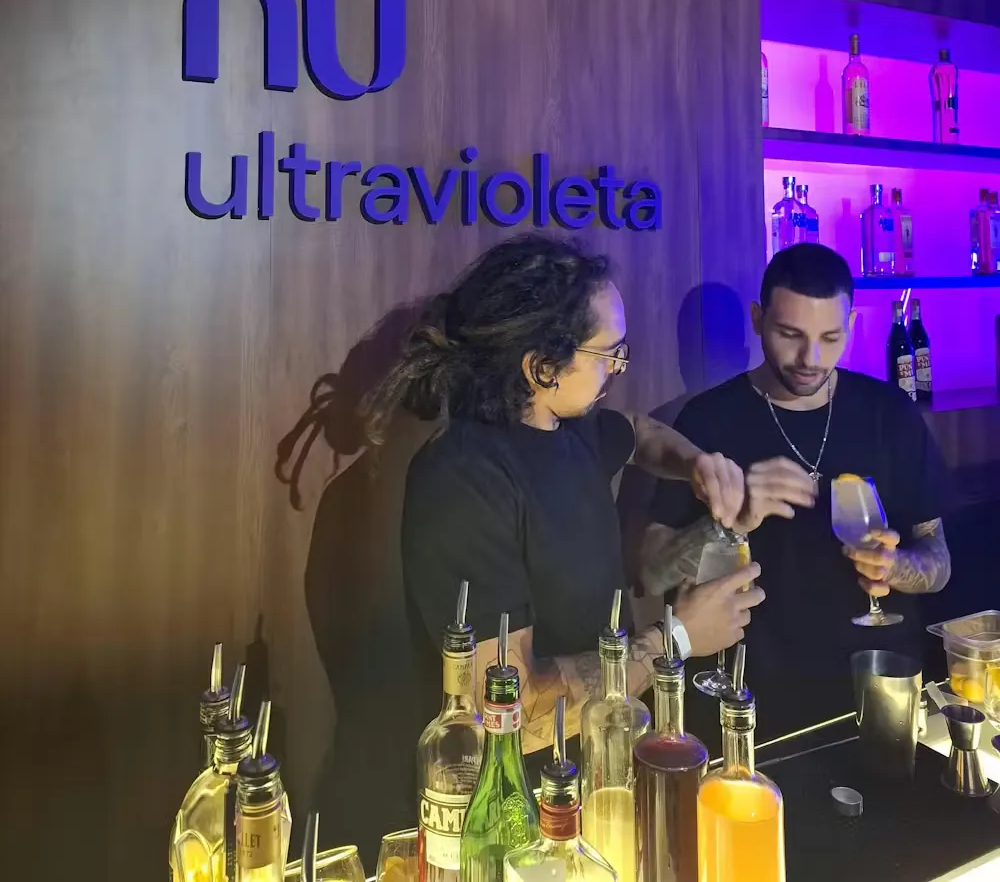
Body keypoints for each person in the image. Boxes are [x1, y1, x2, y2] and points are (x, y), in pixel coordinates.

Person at [361, 233, 770, 757]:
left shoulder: (569, 424)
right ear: (542, 367)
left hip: (601, 760)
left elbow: (638, 432)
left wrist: (697, 465)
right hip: (522, 790)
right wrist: (677, 639)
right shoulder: (463, 483)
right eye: (607, 353)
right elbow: (514, 714)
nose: (618, 366)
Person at [642, 242, 951, 741]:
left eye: (830, 337)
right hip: (751, 698)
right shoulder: (707, 420)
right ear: (758, 319)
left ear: (850, 325)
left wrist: (897, 567)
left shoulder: (889, 413)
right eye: (790, 334)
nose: (811, 358)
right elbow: (651, 572)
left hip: (878, 688)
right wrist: (726, 523)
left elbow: (938, 560)